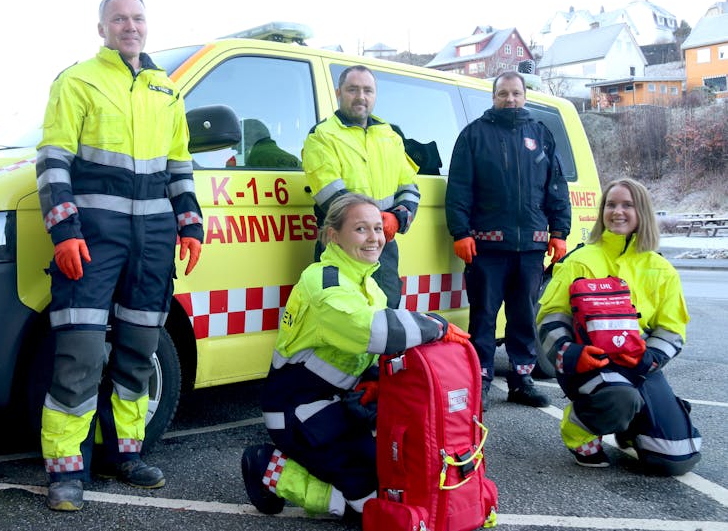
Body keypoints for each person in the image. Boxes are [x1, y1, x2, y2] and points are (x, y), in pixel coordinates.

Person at [35, 0, 204, 512]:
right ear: (102, 29)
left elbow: (179, 164)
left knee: (137, 351)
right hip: (94, 239)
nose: (129, 27)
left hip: (153, 242)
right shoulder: (77, 80)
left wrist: (191, 223)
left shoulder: (165, 89)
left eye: (137, 18)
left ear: (146, 25)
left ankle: (126, 455)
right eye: (118, 19)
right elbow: (52, 161)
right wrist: (64, 231)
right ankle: (66, 470)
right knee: (79, 355)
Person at [240, 193, 469, 518]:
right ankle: (268, 469)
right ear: (333, 235)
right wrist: (436, 325)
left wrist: (376, 380)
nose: (374, 237)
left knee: (392, 479)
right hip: (299, 411)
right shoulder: (323, 281)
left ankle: (324, 472)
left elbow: (377, 350)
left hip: (337, 404)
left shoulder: (368, 285)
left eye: (377, 228)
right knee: (368, 504)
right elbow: (373, 331)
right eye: (361, 229)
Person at [536, 178, 701, 474]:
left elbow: (672, 329)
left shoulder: (661, 269)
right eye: (611, 205)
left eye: (627, 204)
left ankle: (633, 422)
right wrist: (570, 354)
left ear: (643, 212)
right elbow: (550, 318)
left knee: (674, 458)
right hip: (590, 365)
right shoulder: (579, 260)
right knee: (620, 397)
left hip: (639, 365)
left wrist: (649, 358)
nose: (617, 211)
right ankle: (579, 430)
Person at [445, 71, 571, 410]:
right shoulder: (474, 135)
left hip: (530, 247)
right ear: (494, 97)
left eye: (516, 93)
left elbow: (556, 187)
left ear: (525, 96)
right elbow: (458, 188)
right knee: (483, 318)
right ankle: (481, 380)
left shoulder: (541, 135)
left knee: (523, 317)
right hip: (487, 247)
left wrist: (559, 233)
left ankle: (521, 379)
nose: (510, 99)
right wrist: (460, 232)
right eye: (503, 94)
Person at [302, 66, 421, 308]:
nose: (361, 96)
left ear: (375, 95)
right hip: (341, 245)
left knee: (386, 313)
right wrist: (377, 222)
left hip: (383, 246)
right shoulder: (322, 135)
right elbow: (332, 195)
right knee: (341, 316)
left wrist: (397, 219)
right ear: (338, 92)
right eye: (352, 89)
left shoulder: (390, 136)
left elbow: (409, 187)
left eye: (368, 90)